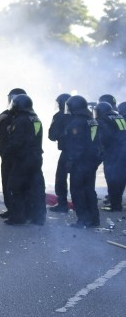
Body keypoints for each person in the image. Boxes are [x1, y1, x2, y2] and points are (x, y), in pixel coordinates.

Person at [2, 94, 46, 225]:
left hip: (23, 158)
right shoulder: (35, 118)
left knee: (15, 187)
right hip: (36, 158)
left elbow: (17, 142)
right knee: (35, 187)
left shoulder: (20, 120)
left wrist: (7, 153)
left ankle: (18, 217)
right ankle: (38, 217)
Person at [63, 95, 100, 228]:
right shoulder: (92, 120)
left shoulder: (76, 122)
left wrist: (71, 161)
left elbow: (76, 144)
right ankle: (94, 219)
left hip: (80, 162)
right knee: (89, 189)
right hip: (91, 160)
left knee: (77, 190)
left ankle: (83, 220)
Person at [0, 88, 27, 218]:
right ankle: (10, 208)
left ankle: (18, 211)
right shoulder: (6, 113)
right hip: (5, 154)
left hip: (16, 155)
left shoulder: (22, 115)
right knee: (6, 182)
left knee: (15, 184)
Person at [93, 102, 126, 212]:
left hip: (113, 153)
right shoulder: (119, 116)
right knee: (121, 179)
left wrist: (101, 150)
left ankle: (115, 205)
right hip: (122, 151)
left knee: (112, 179)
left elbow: (104, 137)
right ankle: (117, 202)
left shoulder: (103, 120)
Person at [47, 93, 72, 213]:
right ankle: (82, 204)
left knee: (61, 178)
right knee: (80, 179)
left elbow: (52, 135)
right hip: (82, 152)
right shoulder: (83, 115)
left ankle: (62, 205)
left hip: (67, 152)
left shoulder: (59, 116)